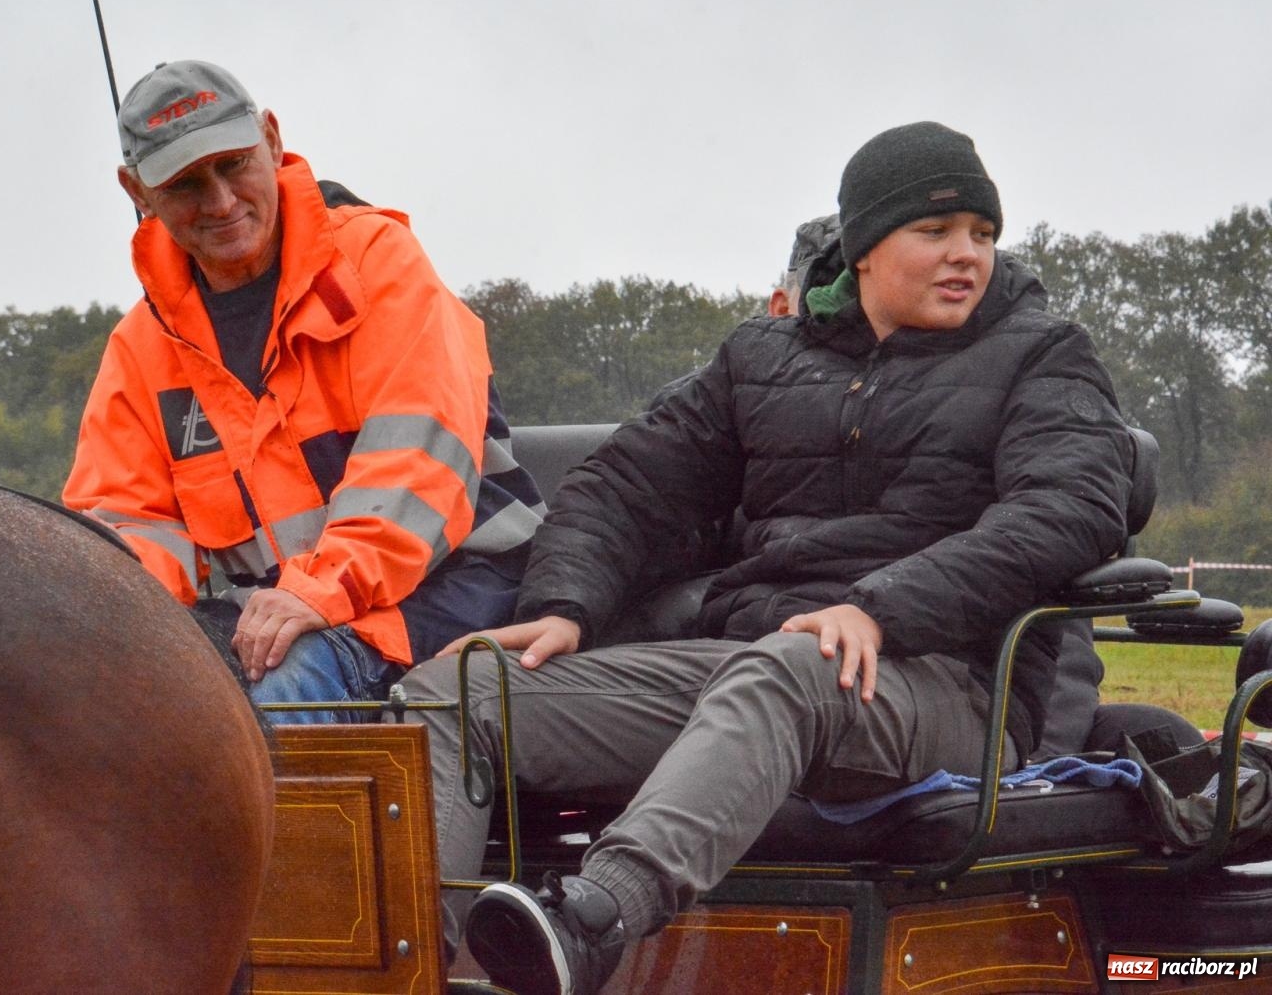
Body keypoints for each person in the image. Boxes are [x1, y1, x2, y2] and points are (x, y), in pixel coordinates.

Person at [401, 121, 1134, 994]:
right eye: (934, 233)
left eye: (981, 233)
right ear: (862, 248)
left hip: (947, 683)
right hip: (751, 667)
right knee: (455, 691)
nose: (964, 255)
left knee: (791, 665)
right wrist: (565, 605)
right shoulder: (759, 358)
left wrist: (882, 606)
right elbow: (626, 485)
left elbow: (1070, 506)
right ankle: (408, 971)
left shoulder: (1045, 354)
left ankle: (592, 921)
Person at [64, 60, 542, 724]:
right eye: (186, 183)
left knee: (290, 685)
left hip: (458, 585)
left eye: (233, 165)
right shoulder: (140, 349)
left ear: (272, 139)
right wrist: (79, 630)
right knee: (104, 705)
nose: (222, 201)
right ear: (136, 189)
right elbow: (127, 532)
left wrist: (320, 590)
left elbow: (414, 472)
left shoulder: (379, 261)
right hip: (284, 612)